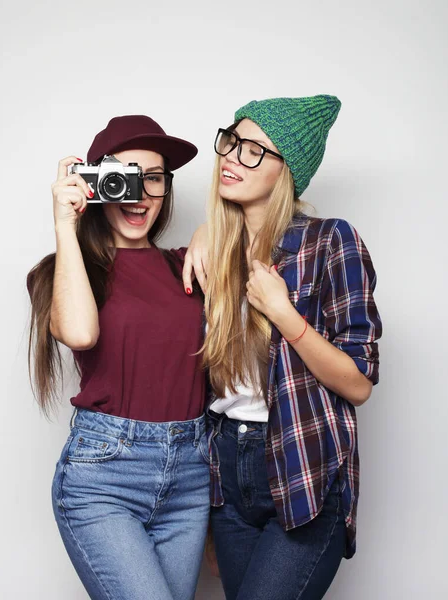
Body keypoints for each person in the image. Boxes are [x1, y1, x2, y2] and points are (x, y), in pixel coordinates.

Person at [183, 95, 382, 599]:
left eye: (255, 150)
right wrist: (208, 232)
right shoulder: (211, 255)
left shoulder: (330, 242)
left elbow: (357, 384)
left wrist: (284, 315)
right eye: (232, 141)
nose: (233, 156)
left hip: (301, 465)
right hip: (227, 472)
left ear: (287, 171)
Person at [27, 115, 210, 600]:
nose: (139, 192)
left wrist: (216, 230)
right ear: (94, 185)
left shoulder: (187, 266)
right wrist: (66, 223)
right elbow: (82, 333)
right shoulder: (61, 272)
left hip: (192, 477)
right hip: (105, 476)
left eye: (153, 178)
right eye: (124, 176)